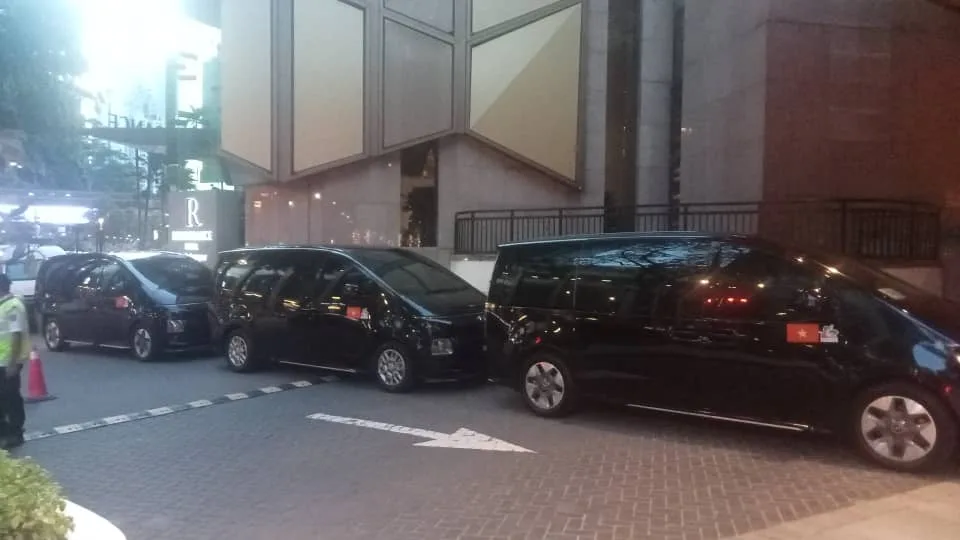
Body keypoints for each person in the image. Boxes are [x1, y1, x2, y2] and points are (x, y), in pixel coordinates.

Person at [0, 274, 28, 449]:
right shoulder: (3, 305)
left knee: (11, 397)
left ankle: (16, 432)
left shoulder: (13, 306)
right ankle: (3, 431)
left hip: (10, 362)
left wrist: (12, 363)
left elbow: (16, 335)